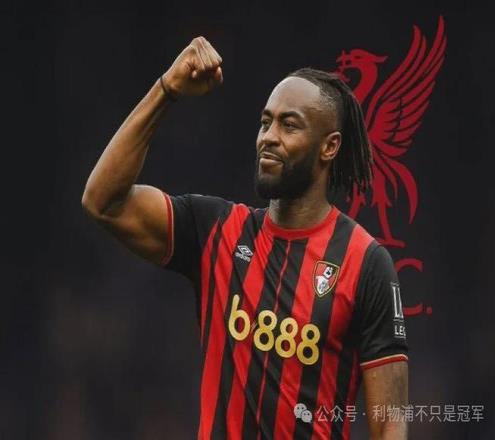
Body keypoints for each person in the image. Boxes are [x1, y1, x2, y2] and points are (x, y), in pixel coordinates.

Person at [82, 36, 409, 440]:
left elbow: (389, 422)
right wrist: (167, 89)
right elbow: (103, 201)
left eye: (289, 125)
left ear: (329, 147)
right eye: (265, 122)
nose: (268, 136)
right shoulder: (216, 230)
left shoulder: (365, 262)